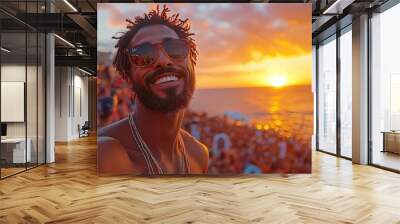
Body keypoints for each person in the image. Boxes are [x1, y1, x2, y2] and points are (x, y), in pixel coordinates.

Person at [98, 5, 209, 175]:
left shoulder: (198, 154)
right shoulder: (107, 155)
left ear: (192, 63)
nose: (163, 60)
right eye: (143, 55)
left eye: (175, 48)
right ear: (128, 78)